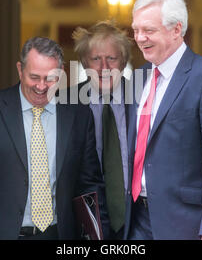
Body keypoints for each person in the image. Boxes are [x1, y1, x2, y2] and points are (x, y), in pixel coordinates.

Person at [0, 37, 109, 240]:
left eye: (50, 78)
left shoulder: (78, 116)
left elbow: (90, 184)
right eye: (34, 77)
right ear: (20, 70)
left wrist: (98, 236)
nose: (42, 86)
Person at [124, 0, 202, 240]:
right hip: (137, 222)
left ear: (177, 30)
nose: (139, 38)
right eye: (135, 30)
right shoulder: (139, 77)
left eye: (149, 30)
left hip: (187, 226)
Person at [72, 21, 132, 240]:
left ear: (123, 62)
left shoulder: (144, 99)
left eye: (112, 59)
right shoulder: (65, 105)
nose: (104, 67)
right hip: (85, 223)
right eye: (96, 59)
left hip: (139, 220)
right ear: (84, 63)